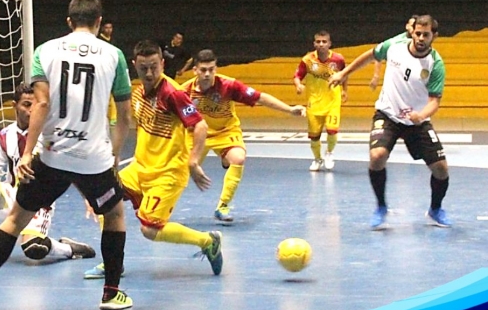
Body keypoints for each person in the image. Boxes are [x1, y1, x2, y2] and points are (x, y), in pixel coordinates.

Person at [0, 0, 133, 310]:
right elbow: (124, 116)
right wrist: (114, 156)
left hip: (53, 155)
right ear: (98, 22)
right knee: (115, 216)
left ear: (68, 22)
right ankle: (111, 294)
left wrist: (26, 155)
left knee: (15, 219)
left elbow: (41, 102)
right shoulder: (114, 55)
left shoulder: (46, 50)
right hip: (94, 159)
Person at [83, 40, 223, 280]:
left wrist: (193, 161)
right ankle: (113, 263)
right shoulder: (137, 93)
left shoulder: (173, 93)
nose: (149, 73)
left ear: (163, 63)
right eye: (144, 68)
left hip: (168, 173)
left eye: (154, 67)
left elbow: (200, 125)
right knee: (105, 201)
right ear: (135, 64)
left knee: (150, 229)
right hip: (140, 168)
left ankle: (207, 241)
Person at [0, 84, 95, 265]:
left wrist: (89, 196)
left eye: (35, 104)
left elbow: (70, 167)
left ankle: (69, 248)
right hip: (12, 196)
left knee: (34, 249)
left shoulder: (50, 135)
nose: (31, 110)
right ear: (14, 105)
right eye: (26, 104)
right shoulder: (4, 135)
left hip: (40, 199)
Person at [328, 14, 451, 230]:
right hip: (388, 115)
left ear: (434, 36)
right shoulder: (395, 46)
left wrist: (421, 116)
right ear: (412, 32)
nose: (421, 38)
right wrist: (344, 73)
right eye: (418, 33)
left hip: (417, 121)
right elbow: (370, 55)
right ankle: (381, 206)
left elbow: (434, 102)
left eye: (426, 34)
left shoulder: (436, 64)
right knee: (377, 156)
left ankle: (435, 209)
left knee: (441, 169)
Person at [181, 49, 306, 223]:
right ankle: (158, 205)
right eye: (203, 70)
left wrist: (289, 109)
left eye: (211, 69)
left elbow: (260, 97)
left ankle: (223, 206)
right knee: (180, 173)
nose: (208, 74)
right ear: (195, 70)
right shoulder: (184, 91)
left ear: (216, 68)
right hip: (196, 134)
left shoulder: (229, 85)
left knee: (238, 158)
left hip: (226, 131)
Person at [293, 30, 347, 171]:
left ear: (329, 44)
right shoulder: (307, 60)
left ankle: (329, 153)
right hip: (314, 102)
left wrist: (345, 91)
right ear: (314, 44)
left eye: (324, 42)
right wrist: (298, 84)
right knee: (314, 136)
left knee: (332, 130)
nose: (321, 44)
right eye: (318, 42)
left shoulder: (338, 59)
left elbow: (344, 75)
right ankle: (317, 159)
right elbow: (297, 75)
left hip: (332, 101)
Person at [370, 16, 418, 91]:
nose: (413, 28)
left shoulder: (421, 43)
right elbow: (378, 53)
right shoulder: (395, 42)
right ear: (407, 26)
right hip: (396, 82)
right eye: (412, 26)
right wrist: (376, 75)